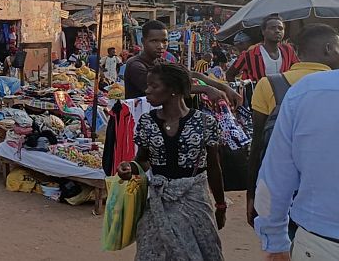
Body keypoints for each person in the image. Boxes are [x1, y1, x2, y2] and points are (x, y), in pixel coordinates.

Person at [117, 63, 226, 260]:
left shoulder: (204, 123)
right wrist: (129, 168)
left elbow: (213, 167)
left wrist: (220, 205)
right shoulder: (147, 122)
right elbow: (142, 161)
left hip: (195, 203)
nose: (147, 90)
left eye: (154, 86)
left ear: (174, 90)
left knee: (202, 251)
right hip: (159, 203)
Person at [246, 24, 339, 230]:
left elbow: (258, 145)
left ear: (297, 53)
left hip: (282, 194)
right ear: (327, 49)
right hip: (324, 205)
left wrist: (251, 194)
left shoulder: (268, 84)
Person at [123, 20, 240, 106]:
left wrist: (225, 88)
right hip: (138, 119)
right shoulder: (136, 65)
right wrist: (206, 89)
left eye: (164, 41)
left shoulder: (161, 62)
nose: (160, 46)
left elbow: (193, 74)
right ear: (143, 41)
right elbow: (168, 88)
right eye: (154, 41)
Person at [226, 15, 299, 82]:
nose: (277, 31)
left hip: (283, 95)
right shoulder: (249, 55)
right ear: (263, 31)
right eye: (272, 28)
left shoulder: (288, 51)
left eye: (280, 28)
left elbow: (298, 69)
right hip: (258, 95)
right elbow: (229, 74)